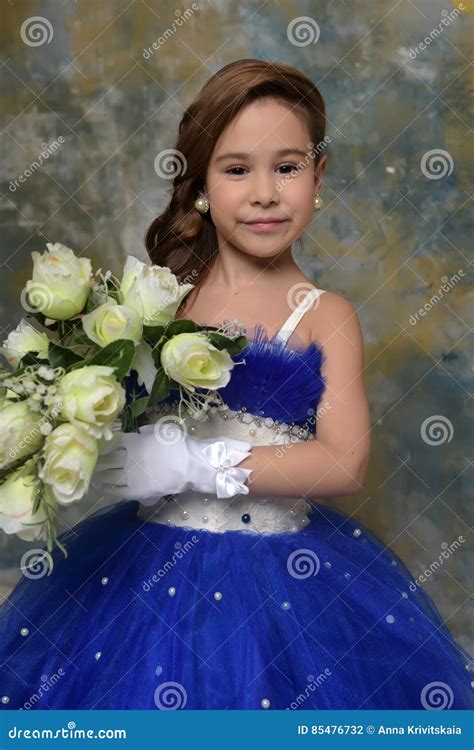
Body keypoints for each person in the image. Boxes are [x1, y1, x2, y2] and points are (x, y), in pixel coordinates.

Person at [0, 59, 472, 711]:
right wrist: (94, 441)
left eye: (287, 167)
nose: (264, 194)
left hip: (281, 573)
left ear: (319, 175)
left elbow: (343, 460)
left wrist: (195, 463)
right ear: (198, 184)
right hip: (145, 571)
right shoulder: (161, 300)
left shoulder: (324, 314)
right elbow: (114, 411)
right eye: (236, 169)